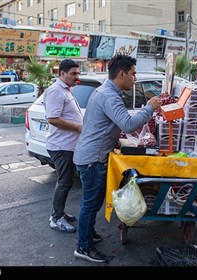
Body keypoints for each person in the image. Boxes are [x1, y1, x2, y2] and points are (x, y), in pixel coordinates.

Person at [72, 54, 162, 263]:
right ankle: (83, 246)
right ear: (121, 74)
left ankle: (87, 234)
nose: (135, 78)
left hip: (91, 155)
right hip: (92, 159)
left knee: (92, 203)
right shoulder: (108, 96)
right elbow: (128, 124)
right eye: (133, 74)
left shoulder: (105, 91)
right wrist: (149, 107)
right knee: (90, 203)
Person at [44, 59, 83, 234]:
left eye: (78, 73)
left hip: (68, 145)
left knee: (66, 181)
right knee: (65, 181)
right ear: (62, 74)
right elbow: (53, 119)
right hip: (61, 146)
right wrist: (78, 127)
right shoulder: (56, 91)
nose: (77, 77)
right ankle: (56, 218)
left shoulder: (66, 90)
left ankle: (59, 212)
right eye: (73, 74)